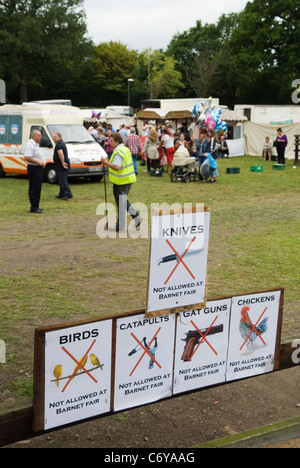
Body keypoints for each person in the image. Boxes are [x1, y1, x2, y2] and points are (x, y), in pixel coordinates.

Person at [101, 132, 142, 232]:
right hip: (127, 179)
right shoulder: (124, 149)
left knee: (121, 202)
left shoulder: (118, 151)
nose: (110, 143)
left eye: (111, 141)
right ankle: (128, 221)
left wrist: (106, 163)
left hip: (121, 181)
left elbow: (117, 167)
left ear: (116, 141)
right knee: (122, 201)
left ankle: (128, 221)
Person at [23, 129, 45, 213]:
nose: (41, 137)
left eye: (40, 135)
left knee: (38, 187)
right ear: (34, 136)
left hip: (38, 168)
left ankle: (36, 205)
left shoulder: (36, 144)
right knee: (34, 187)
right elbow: (27, 157)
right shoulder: (30, 145)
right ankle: (33, 207)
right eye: (39, 135)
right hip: (34, 168)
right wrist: (38, 161)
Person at [53, 132, 73, 201]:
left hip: (62, 166)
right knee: (61, 179)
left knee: (63, 180)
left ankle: (68, 194)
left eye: (54, 137)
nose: (53, 138)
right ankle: (61, 193)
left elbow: (60, 153)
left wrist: (62, 162)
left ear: (59, 137)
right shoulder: (61, 143)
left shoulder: (59, 144)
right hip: (62, 165)